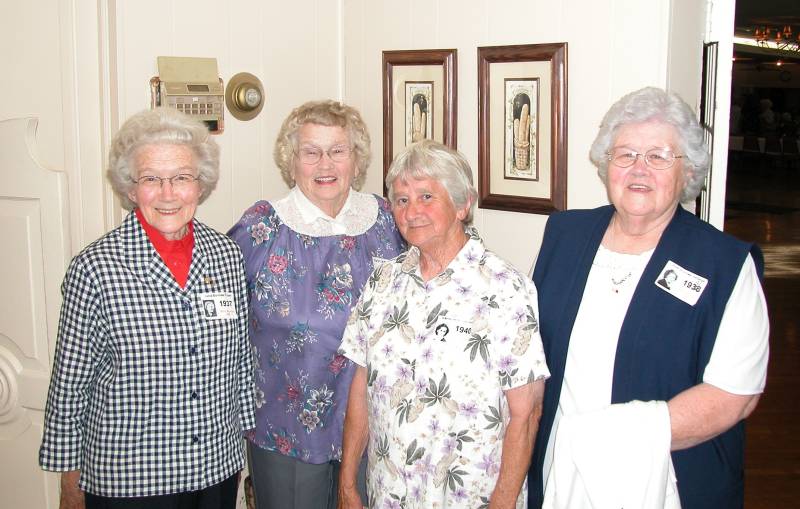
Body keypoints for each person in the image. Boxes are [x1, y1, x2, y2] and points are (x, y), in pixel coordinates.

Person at [528, 87, 769, 508]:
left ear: (688, 170)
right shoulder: (564, 235)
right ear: (607, 165)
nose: (639, 169)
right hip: (562, 474)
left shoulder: (723, 263)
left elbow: (736, 395)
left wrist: (612, 437)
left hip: (668, 483)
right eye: (625, 155)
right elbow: (528, 351)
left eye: (658, 156)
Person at [39, 107, 255, 508]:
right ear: (131, 187)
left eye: (181, 178)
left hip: (215, 471)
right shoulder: (96, 268)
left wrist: (243, 450)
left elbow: (241, 362)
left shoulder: (226, 255)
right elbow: (69, 387)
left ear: (200, 183)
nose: (168, 193)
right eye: (152, 179)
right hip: (130, 480)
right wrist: (71, 484)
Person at [338, 140, 550, 508]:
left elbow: (526, 413)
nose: (412, 211)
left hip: (469, 498)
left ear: (463, 204)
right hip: (388, 494)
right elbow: (361, 387)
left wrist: (503, 502)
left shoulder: (505, 289)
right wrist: (347, 486)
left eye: (426, 197)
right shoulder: (382, 281)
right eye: (402, 200)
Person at [228, 100, 405, 509]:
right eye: (311, 152)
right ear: (291, 162)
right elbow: (220, 319)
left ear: (356, 159)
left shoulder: (384, 218)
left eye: (338, 151)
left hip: (374, 427)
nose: (325, 163)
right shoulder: (261, 227)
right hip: (287, 432)